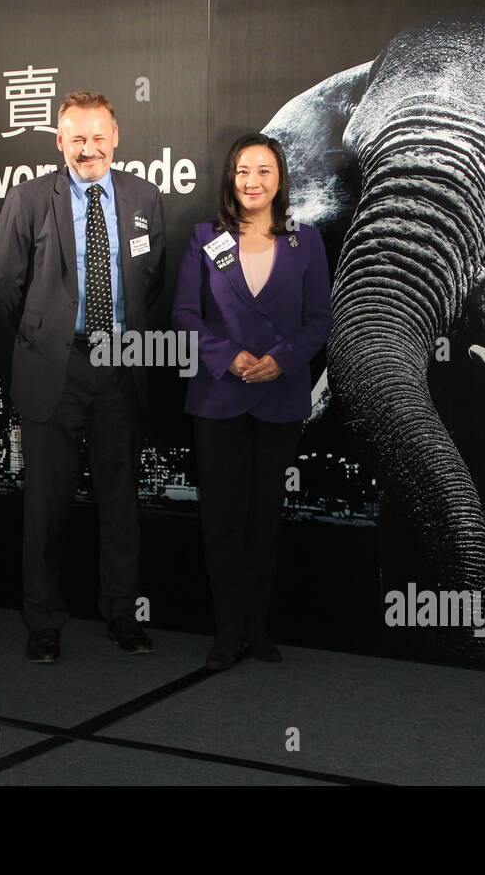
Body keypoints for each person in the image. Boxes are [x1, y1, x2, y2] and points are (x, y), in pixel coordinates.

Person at [0, 92, 166, 662]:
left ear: (116, 136)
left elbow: (151, 281)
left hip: (121, 366)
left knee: (120, 500)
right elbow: (1, 286)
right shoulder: (30, 198)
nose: (89, 149)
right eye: (76, 139)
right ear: (59, 143)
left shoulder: (144, 198)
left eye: (98, 137)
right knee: (46, 503)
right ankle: (43, 621)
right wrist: (44, 337)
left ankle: (123, 615)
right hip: (53, 370)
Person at [172, 133, 332, 670]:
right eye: (243, 171)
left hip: (280, 398)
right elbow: (185, 317)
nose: (253, 181)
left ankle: (257, 628)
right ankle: (225, 632)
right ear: (230, 179)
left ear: (280, 179)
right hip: (218, 397)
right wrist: (228, 356)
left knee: (264, 518)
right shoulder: (204, 239)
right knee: (220, 519)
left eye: (264, 171)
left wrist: (283, 358)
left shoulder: (305, 241)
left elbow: (320, 321)